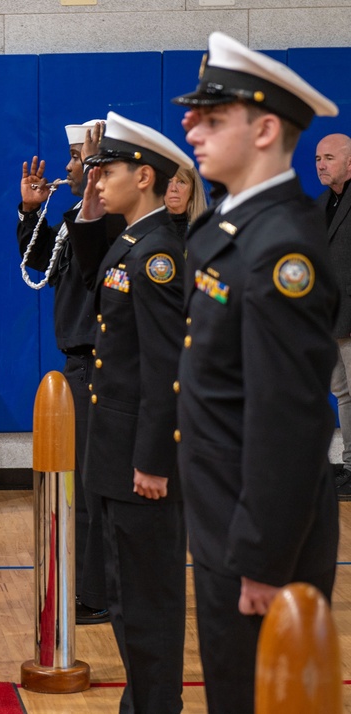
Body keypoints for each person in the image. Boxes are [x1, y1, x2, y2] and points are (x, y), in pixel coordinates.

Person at [173, 32, 339, 714]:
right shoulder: (233, 230)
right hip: (224, 524)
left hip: (260, 542)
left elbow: (289, 424)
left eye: (213, 120)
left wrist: (264, 560)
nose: (191, 128)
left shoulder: (281, 251)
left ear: (266, 129)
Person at [67, 111, 193, 713]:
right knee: (124, 597)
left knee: (148, 603)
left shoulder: (158, 255)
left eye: (108, 171)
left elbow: (166, 368)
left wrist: (152, 459)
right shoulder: (131, 241)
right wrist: (89, 209)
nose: (98, 181)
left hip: (140, 463)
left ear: (144, 176)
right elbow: (90, 270)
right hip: (116, 455)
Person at [17, 119, 118, 625]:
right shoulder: (79, 214)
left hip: (99, 368)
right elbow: (45, 262)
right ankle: (85, 587)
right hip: (76, 366)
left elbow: (89, 265)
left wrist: (95, 195)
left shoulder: (115, 222)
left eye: (79, 157)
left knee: (91, 491)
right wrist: (31, 212)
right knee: (76, 488)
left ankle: (95, 593)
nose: (68, 166)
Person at [315, 133, 351, 498]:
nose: (321, 165)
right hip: (330, 317)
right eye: (317, 159)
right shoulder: (323, 201)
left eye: (329, 158)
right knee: (343, 392)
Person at [164, 164, 208, 229]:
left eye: (181, 182)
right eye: (168, 181)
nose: (173, 189)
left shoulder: (205, 230)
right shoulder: (148, 228)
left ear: (192, 189)